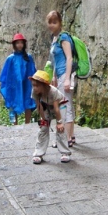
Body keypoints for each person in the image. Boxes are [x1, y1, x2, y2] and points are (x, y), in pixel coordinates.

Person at [46, 11, 77, 146]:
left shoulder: (63, 38)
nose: (52, 25)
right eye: (50, 22)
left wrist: (67, 79)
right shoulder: (54, 38)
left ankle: (66, 139)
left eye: (55, 22)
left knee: (65, 106)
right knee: (63, 105)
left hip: (65, 75)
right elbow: (54, 60)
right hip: (59, 75)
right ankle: (70, 136)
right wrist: (53, 76)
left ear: (60, 23)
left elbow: (69, 58)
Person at [29, 69, 70, 164]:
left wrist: (59, 123)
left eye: (37, 85)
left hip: (60, 105)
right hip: (46, 106)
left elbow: (56, 109)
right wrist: (43, 120)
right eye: (33, 85)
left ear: (44, 85)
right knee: (43, 129)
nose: (34, 88)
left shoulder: (53, 92)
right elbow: (39, 106)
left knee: (60, 129)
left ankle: (65, 153)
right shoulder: (34, 92)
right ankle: (39, 154)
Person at [0, 33, 37, 125]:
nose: (19, 45)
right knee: (14, 102)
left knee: (28, 101)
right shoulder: (10, 59)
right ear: (14, 44)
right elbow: (6, 75)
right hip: (14, 86)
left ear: (24, 44)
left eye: (21, 43)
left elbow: (32, 71)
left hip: (27, 85)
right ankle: (15, 125)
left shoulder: (28, 57)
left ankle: (27, 124)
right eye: (17, 43)